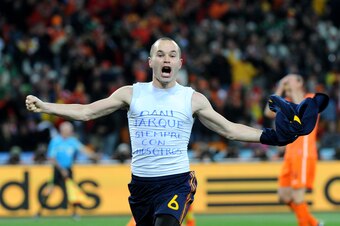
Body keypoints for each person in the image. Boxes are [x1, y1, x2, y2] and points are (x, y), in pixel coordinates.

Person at [26, 37, 315, 226]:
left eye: (172, 55)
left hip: (176, 182)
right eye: (160, 54)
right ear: (151, 62)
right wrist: (46, 106)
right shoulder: (131, 93)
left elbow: (228, 129)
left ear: (179, 63)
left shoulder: (192, 98)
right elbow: (87, 111)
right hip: (140, 187)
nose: (166, 59)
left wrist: (271, 137)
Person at [264, 74, 324, 226]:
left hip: (303, 153)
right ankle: (313, 223)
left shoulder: (312, 98)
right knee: (284, 196)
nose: (287, 83)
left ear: (300, 83)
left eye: (290, 80)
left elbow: (301, 110)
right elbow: (268, 112)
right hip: (290, 153)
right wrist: (280, 88)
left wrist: (291, 86)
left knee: (298, 196)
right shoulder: (288, 103)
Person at [36, 121, 97, 219]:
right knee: (50, 190)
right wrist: (61, 169)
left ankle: (74, 213)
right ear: (62, 130)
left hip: (68, 169)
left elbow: (83, 149)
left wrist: (94, 155)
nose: (70, 132)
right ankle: (39, 212)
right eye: (68, 130)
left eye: (70, 130)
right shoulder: (55, 141)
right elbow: (51, 157)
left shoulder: (72, 141)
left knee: (72, 191)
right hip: (57, 169)